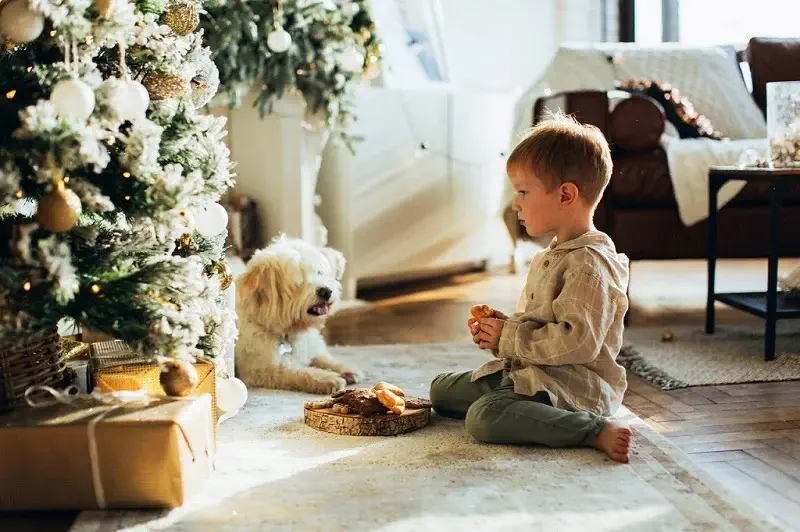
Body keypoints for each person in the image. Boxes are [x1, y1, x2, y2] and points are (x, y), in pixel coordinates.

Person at [429, 112, 632, 462]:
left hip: (570, 385)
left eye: (523, 191)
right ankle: (520, 410)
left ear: (566, 195)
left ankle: (591, 429)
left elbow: (577, 343)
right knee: (440, 390)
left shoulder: (589, 264)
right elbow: (542, 324)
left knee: (484, 417)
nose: (515, 203)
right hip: (534, 372)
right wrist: (502, 330)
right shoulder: (554, 254)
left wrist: (508, 336)